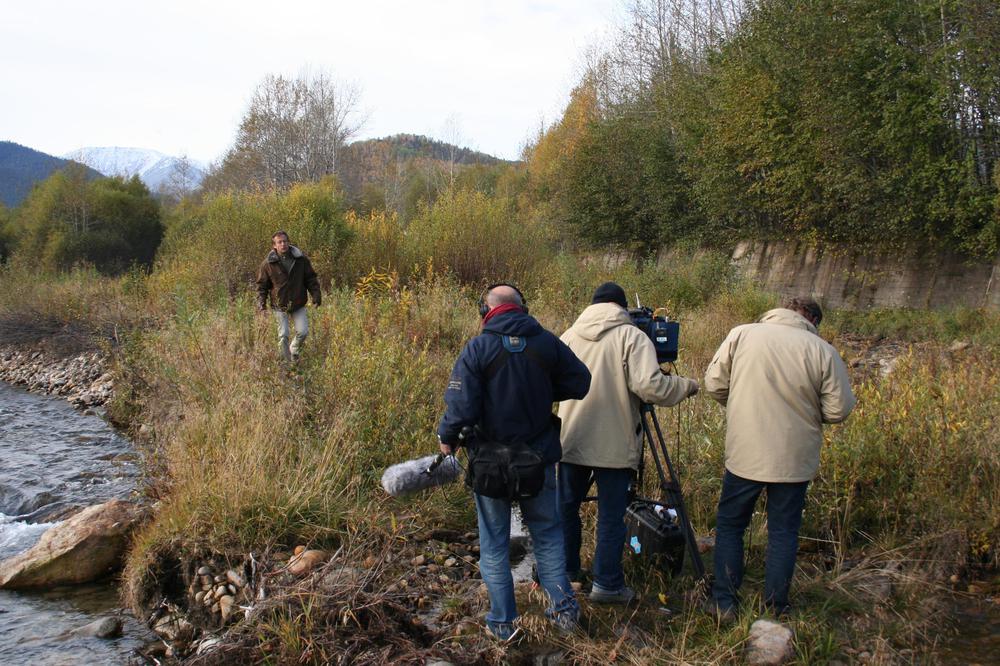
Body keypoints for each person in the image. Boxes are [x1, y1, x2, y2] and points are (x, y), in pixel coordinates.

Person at [437, 283, 591, 642]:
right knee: (549, 538)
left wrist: (447, 441)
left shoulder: (478, 348)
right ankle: (564, 616)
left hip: (489, 462)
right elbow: (580, 382)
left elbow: (461, 408)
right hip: (537, 460)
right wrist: (543, 388)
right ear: (522, 308)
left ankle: (503, 625)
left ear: (485, 311)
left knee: (494, 544)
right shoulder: (546, 342)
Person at [703, 297, 856, 619]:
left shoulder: (742, 334)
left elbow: (714, 384)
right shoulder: (823, 351)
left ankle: (725, 602)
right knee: (783, 532)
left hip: (745, 451)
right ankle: (776, 607)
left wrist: (740, 407)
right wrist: (807, 416)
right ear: (813, 320)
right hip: (794, 458)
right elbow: (838, 409)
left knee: (731, 526)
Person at [557, 282, 699, 603]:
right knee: (610, 514)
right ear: (622, 308)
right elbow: (651, 387)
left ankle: (566, 572)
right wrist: (686, 385)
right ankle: (607, 585)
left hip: (571, 437)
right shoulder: (632, 337)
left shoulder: (568, 336)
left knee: (565, 508)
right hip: (614, 444)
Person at [256, 231, 322, 361]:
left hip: (298, 303)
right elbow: (262, 286)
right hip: (279, 305)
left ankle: (294, 350)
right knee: (283, 335)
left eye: (285, 241)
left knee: (303, 332)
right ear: (274, 246)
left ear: (289, 242)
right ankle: (286, 364)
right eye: (279, 242)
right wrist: (261, 304)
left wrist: (316, 295)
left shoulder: (301, 260)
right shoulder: (268, 264)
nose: (283, 244)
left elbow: (311, 279)